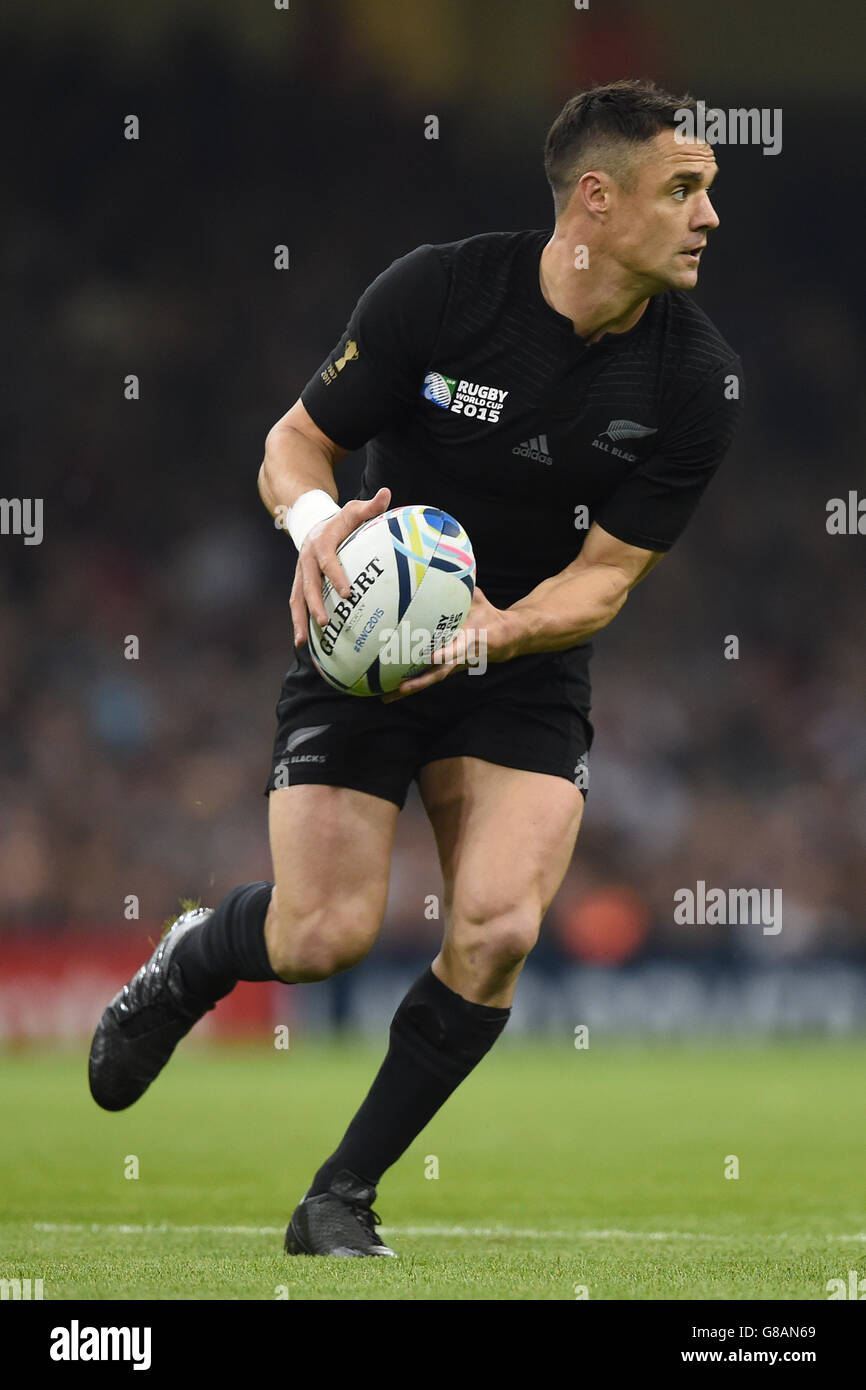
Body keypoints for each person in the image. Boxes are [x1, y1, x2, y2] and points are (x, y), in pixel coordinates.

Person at [89, 79, 742, 1258]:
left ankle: (339, 1196)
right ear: (593, 201)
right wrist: (313, 529)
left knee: (494, 926)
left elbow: (603, 581)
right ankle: (192, 957)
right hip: (369, 643)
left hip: (523, 652)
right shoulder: (444, 291)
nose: (708, 217)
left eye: (708, 192)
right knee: (320, 935)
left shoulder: (695, 381)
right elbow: (297, 442)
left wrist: (496, 631)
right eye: (682, 190)